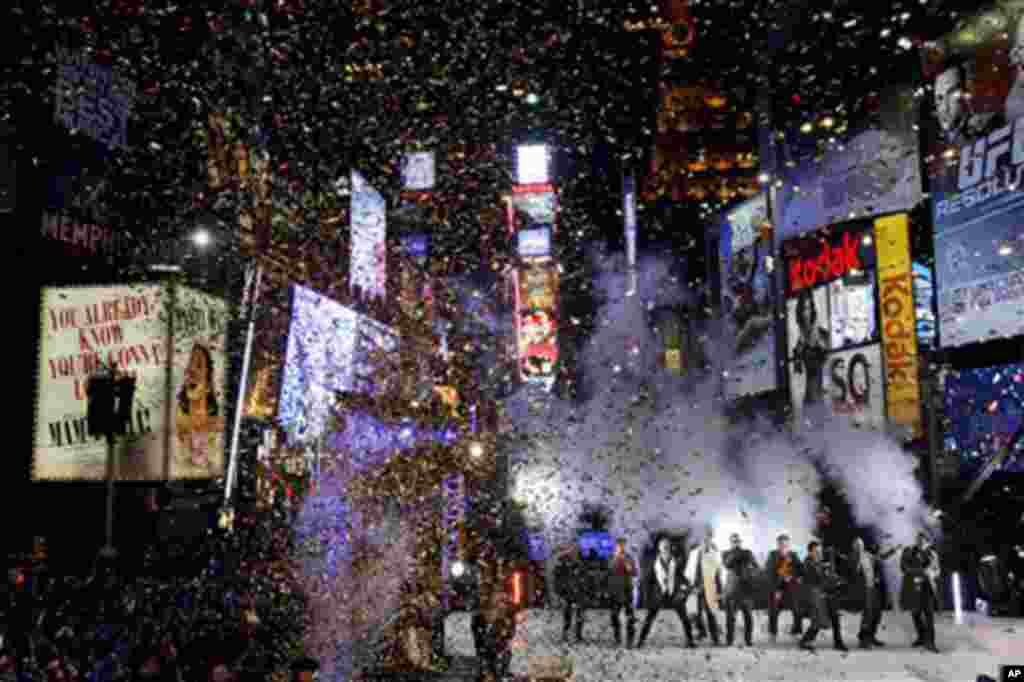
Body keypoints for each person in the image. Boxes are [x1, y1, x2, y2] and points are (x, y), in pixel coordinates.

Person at [636, 538, 695, 649]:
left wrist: (688, 586)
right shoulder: (654, 563)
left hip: (673, 594)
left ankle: (690, 641)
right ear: (659, 548)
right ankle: (640, 641)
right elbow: (647, 581)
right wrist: (647, 598)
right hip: (658, 595)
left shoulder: (675, 562)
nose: (665, 548)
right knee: (649, 619)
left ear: (670, 548)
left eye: (667, 546)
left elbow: (681, 576)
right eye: (663, 546)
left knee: (685, 618)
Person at [797, 543, 847, 652]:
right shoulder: (808, 564)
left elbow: (826, 576)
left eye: (820, 551)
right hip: (816, 596)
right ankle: (804, 641)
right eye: (816, 551)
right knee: (819, 621)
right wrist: (828, 577)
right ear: (810, 552)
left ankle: (838, 642)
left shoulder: (819, 563)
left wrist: (835, 579)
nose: (819, 553)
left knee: (834, 617)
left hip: (826, 594)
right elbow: (814, 580)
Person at [901, 532, 941, 653]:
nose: (920, 542)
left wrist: (931, 574)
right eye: (918, 540)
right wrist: (917, 573)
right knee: (915, 614)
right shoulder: (909, 551)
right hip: (913, 587)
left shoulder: (932, 554)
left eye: (922, 540)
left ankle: (931, 642)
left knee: (929, 615)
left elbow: (937, 570)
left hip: (927, 587)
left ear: (926, 541)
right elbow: (903, 567)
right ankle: (921, 637)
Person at [684, 528, 723, 646]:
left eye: (709, 538)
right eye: (704, 538)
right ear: (701, 539)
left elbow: (719, 572)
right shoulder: (693, 553)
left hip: (709, 587)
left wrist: (719, 590)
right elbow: (689, 571)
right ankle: (699, 634)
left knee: (711, 613)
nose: (706, 540)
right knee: (695, 613)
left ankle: (715, 639)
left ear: (711, 539)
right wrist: (690, 586)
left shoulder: (715, 553)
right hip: (695, 587)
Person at [791, 290, 829, 407]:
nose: (806, 312)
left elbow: (815, 336)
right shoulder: (801, 319)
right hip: (811, 352)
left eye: (808, 308)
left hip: (817, 350)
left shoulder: (814, 317)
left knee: (816, 385)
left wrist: (819, 343)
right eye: (804, 308)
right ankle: (812, 406)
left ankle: (815, 406)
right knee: (812, 387)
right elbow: (804, 337)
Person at [846, 538, 885, 649]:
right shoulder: (852, 556)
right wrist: (857, 561)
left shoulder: (868, 555)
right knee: (868, 614)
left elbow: (880, 558)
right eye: (857, 545)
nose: (859, 547)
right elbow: (852, 571)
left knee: (877, 613)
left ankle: (871, 636)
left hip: (872, 588)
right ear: (854, 547)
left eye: (861, 545)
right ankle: (864, 639)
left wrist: (893, 550)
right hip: (863, 590)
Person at [764, 534, 804, 642]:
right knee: (774, 611)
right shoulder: (772, 555)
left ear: (788, 544)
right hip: (777, 588)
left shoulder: (793, 555)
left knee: (797, 609)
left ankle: (797, 632)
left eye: (785, 544)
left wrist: (792, 576)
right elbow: (768, 571)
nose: (783, 546)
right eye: (781, 544)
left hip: (791, 587)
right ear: (778, 544)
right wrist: (777, 583)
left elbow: (800, 570)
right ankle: (772, 633)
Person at [722, 533, 759, 647]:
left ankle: (748, 640)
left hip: (746, 590)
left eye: (737, 541)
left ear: (740, 542)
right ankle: (729, 640)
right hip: (732, 591)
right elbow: (727, 564)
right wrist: (735, 552)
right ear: (730, 543)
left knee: (748, 617)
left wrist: (751, 572)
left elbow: (756, 566)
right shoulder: (726, 553)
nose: (736, 543)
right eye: (733, 541)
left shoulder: (747, 552)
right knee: (730, 618)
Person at [607, 539, 638, 648]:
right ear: (616, 547)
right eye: (619, 546)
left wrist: (627, 564)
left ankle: (630, 640)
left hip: (626, 591)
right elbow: (607, 573)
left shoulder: (629, 557)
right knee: (614, 616)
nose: (621, 548)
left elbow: (634, 572)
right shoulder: (611, 558)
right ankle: (617, 639)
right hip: (614, 592)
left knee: (630, 617)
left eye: (623, 546)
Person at [554, 545, 586, 644]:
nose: (573, 553)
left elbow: (584, 579)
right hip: (567, 593)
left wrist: (583, 590)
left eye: (575, 551)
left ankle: (578, 634)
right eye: (572, 551)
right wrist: (559, 593)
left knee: (579, 615)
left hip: (578, 593)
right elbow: (557, 580)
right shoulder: (561, 565)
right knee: (567, 615)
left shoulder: (579, 564)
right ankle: (566, 634)